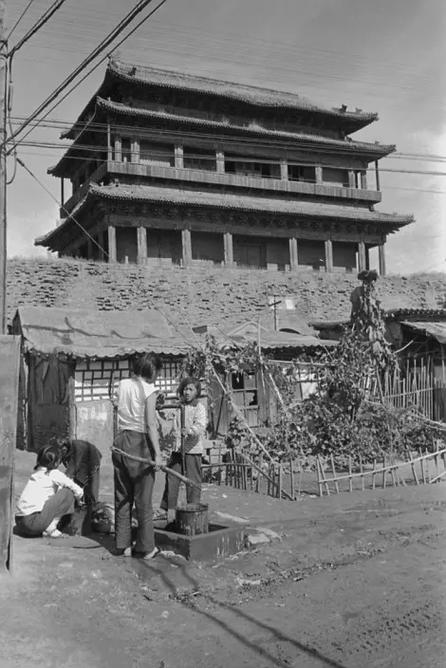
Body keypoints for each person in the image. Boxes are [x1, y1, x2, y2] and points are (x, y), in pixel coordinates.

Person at [112, 353, 163, 559]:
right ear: (153, 371)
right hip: (140, 443)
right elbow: (150, 424)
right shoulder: (149, 390)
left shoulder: (121, 384)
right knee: (143, 500)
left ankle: (123, 545)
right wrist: (158, 454)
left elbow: (115, 409)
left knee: (122, 497)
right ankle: (146, 547)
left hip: (121, 441)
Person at [160, 377, 207, 523]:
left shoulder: (199, 407)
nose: (187, 392)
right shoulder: (178, 405)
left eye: (191, 389)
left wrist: (190, 431)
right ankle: (168, 509)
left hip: (192, 450)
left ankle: (193, 510)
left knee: (193, 481)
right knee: (172, 477)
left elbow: (200, 426)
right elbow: (167, 417)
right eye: (185, 389)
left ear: (196, 392)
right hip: (177, 449)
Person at [15, 445, 84, 539]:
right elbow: (77, 489)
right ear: (56, 462)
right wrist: (80, 501)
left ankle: (45, 526)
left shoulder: (36, 473)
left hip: (20, 523)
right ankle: (51, 528)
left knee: (59, 490)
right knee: (68, 492)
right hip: (33, 524)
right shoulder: (54, 473)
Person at [58, 438, 102, 509]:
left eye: (63, 450)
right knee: (78, 481)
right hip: (82, 461)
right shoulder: (65, 450)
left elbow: (73, 467)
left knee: (92, 486)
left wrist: (63, 481)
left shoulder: (77, 448)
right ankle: (79, 504)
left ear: (66, 447)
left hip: (93, 459)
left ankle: (93, 507)